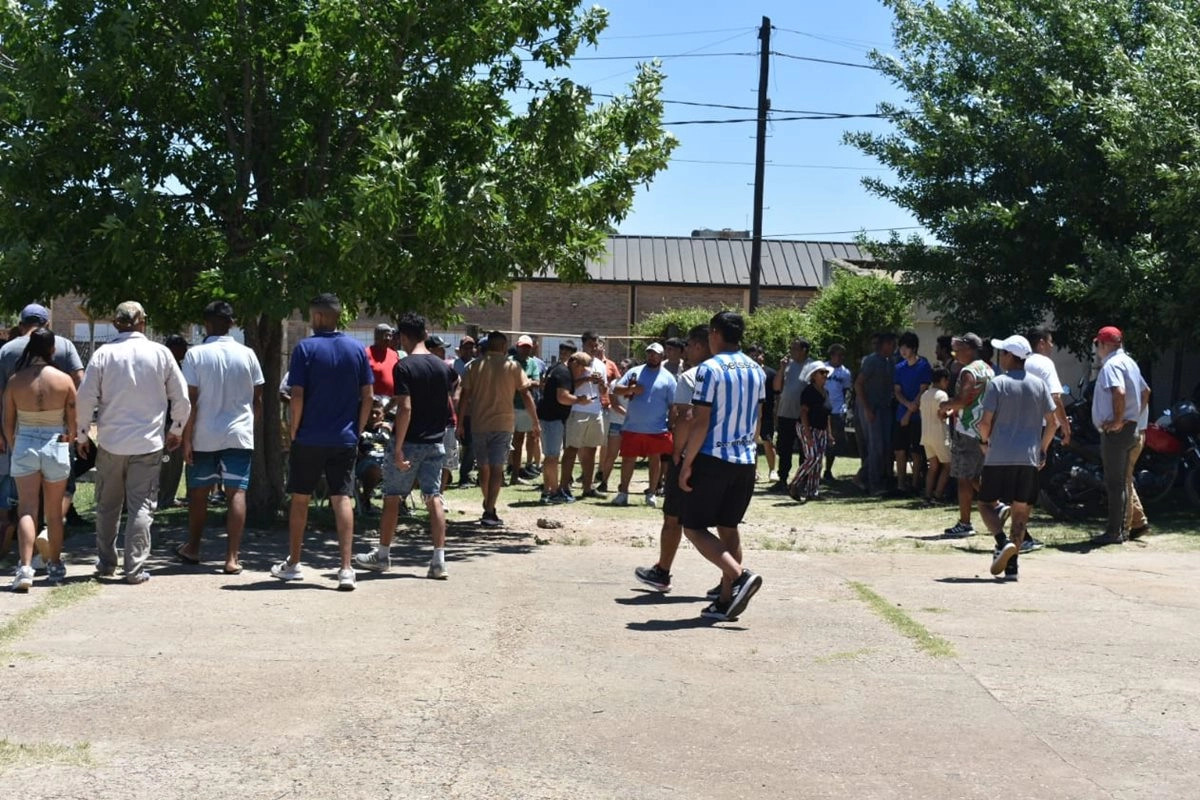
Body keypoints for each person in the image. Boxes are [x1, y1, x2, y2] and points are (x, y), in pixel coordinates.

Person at [76, 302, 190, 584]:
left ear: (116, 323)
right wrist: (176, 430)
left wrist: (81, 434)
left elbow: (85, 397)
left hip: (111, 443)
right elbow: (181, 397)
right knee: (141, 507)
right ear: (143, 322)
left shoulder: (103, 354)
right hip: (148, 444)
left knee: (107, 505)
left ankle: (105, 564)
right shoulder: (161, 353)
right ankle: (134, 569)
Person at [274, 294, 374, 590]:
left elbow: (298, 395)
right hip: (344, 437)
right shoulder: (357, 349)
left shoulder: (305, 348)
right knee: (342, 497)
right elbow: (367, 395)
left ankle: (293, 562)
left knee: (301, 498)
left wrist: (294, 428)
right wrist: (358, 428)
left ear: (317, 317)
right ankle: (345, 569)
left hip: (309, 436)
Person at [678, 311, 765, 622]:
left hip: (714, 458)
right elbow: (757, 418)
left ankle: (739, 576)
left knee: (693, 527)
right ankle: (726, 601)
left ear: (715, 333)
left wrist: (687, 463)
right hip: (746, 460)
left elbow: (700, 421)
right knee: (729, 528)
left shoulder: (709, 370)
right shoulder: (757, 369)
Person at [356, 313, 456, 578]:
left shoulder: (403, 366)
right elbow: (450, 396)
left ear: (403, 336)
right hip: (436, 441)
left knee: (391, 497)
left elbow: (405, 408)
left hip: (410, 442)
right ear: (424, 333)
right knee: (433, 497)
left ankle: (383, 555)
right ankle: (438, 561)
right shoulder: (443, 366)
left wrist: (398, 446)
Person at [175, 301, 264, 575]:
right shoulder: (248, 354)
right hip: (238, 433)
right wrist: (249, 425)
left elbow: (191, 400)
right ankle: (232, 558)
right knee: (236, 492)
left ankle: (193, 547)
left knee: (199, 494)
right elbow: (257, 397)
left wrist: (186, 439)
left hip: (203, 434)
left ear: (206, 324)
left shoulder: (195, 355)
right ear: (231, 324)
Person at [635, 325, 712, 592]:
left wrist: (678, 454)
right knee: (725, 524)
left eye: (689, 345)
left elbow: (685, 417)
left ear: (700, 346)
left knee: (674, 519)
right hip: (719, 456)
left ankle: (663, 571)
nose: (685, 350)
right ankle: (730, 579)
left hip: (690, 455)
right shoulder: (734, 375)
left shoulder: (691, 376)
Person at [976, 336, 1058, 580]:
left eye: (1003, 354)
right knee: (1021, 512)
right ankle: (1012, 566)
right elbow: (1053, 424)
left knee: (984, 503)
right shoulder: (1039, 385)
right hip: (1028, 458)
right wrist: (1042, 448)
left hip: (999, 455)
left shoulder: (997, 384)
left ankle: (1001, 542)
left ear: (1011, 357)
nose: (1000, 357)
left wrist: (983, 441)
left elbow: (984, 422)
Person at [0, 304, 86, 536]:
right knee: (63, 486)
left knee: (24, 496)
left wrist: (3, 434)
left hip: (19, 431)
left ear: (21, 325)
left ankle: (21, 541)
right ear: (47, 325)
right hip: (58, 432)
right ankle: (51, 530)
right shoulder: (64, 346)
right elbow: (80, 381)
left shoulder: (6, 351)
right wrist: (76, 427)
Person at [3, 329, 77, 591]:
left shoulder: (15, 381)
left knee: (26, 509)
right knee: (54, 512)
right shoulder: (64, 380)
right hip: (55, 443)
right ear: (52, 349)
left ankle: (24, 568)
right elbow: (73, 424)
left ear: (29, 349)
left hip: (25, 443)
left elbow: (8, 422)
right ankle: (55, 565)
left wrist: (16, 446)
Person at [457, 331, 539, 527]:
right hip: (503, 424)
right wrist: (535, 421)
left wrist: (459, 423)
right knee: (496, 468)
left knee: (483, 467)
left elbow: (464, 397)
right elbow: (526, 395)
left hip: (479, 424)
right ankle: (489, 509)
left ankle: (488, 504)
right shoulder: (512, 366)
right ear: (503, 347)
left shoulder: (474, 366)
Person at [1090, 326, 1146, 546]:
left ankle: (1114, 532)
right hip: (1130, 428)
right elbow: (1146, 391)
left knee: (1114, 484)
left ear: (1104, 344)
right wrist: (1132, 418)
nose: (1097, 349)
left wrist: (1117, 420)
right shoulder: (1130, 363)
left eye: (1097, 344)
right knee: (1122, 482)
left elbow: (1119, 392)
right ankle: (1121, 530)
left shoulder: (1111, 365)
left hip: (1117, 432)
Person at [939, 333, 995, 538]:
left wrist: (945, 406)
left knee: (964, 477)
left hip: (967, 429)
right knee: (975, 475)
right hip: (984, 429)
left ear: (970, 349)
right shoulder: (988, 370)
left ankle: (965, 523)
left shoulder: (969, 372)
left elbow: (963, 400)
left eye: (959, 350)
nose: (956, 354)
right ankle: (997, 506)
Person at [611, 342, 677, 507]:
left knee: (655, 460)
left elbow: (673, 405)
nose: (652, 356)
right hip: (632, 426)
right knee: (627, 460)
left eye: (655, 354)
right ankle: (623, 493)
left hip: (657, 428)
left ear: (662, 356)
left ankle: (652, 493)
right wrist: (630, 390)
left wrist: (671, 423)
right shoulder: (635, 371)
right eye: (649, 353)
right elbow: (616, 390)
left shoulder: (668, 378)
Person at [538, 344, 592, 503]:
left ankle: (547, 491)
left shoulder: (558, 369)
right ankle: (554, 492)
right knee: (552, 457)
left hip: (549, 418)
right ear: (575, 363)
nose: (581, 373)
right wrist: (580, 401)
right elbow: (562, 397)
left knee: (550, 457)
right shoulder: (564, 373)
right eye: (582, 369)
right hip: (552, 419)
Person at [560, 331, 608, 499]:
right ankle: (564, 486)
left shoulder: (601, 365)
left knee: (591, 450)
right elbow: (569, 384)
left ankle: (588, 487)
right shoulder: (574, 362)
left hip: (596, 411)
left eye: (596, 345)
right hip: (577, 411)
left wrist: (601, 383)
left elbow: (604, 391)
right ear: (583, 344)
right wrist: (587, 379)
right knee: (571, 449)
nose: (594, 348)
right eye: (591, 345)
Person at [855, 333, 897, 495]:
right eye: (891, 344)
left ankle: (862, 477)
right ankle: (873, 484)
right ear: (884, 344)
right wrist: (866, 409)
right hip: (872, 409)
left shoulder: (890, 361)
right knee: (876, 447)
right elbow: (859, 384)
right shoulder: (872, 361)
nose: (893, 347)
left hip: (885, 408)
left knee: (885, 447)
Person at [770, 338, 813, 493]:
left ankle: (801, 481)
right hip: (785, 413)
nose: (791, 351)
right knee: (784, 448)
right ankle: (782, 480)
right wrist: (781, 369)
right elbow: (776, 387)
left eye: (794, 348)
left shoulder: (812, 366)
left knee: (804, 449)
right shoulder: (788, 366)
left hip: (802, 416)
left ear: (804, 350)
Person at [788, 361, 835, 503]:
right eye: (822, 373)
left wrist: (829, 433)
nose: (825, 375)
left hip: (821, 430)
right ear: (814, 375)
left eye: (826, 373)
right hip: (807, 427)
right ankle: (794, 484)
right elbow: (803, 413)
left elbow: (826, 415)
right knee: (812, 457)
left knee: (818, 461)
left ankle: (812, 492)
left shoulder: (826, 392)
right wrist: (807, 434)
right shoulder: (808, 391)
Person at [892, 332, 933, 494]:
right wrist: (907, 406)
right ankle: (901, 484)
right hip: (902, 413)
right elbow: (897, 391)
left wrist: (910, 411)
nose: (903, 351)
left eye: (906, 347)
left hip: (918, 416)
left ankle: (916, 484)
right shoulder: (899, 368)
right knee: (899, 450)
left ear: (914, 348)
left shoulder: (924, 366)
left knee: (916, 451)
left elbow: (923, 390)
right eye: (901, 347)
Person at [508, 334, 543, 485]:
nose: (525, 350)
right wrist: (526, 382)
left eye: (528, 347)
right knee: (504, 442)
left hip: (524, 407)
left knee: (518, 440)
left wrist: (521, 383)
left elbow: (537, 382)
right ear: (517, 347)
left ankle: (515, 475)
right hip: (508, 406)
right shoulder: (509, 362)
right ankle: (502, 473)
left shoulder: (533, 363)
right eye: (523, 347)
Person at [919, 367, 953, 506]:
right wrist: (953, 410)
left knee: (933, 466)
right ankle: (938, 495)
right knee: (948, 466)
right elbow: (942, 414)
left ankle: (927, 495)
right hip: (939, 434)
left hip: (926, 434)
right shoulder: (942, 395)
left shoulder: (925, 394)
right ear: (943, 380)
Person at [748, 345, 778, 482]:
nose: (755, 357)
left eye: (757, 354)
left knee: (768, 441)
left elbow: (777, 394)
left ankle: (772, 471)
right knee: (750, 442)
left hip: (766, 412)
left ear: (762, 355)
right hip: (749, 412)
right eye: (752, 354)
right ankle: (753, 471)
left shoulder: (770, 373)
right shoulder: (745, 372)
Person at [823, 344, 853, 480]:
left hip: (837, 410)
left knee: (832, 441)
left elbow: (847, 391)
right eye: (838, 354)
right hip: (822, 409)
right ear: (832, 355)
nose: (841, 358)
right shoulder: (823, 368)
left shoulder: (845, 373)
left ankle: (828, 470)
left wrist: (845, 407)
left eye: (842, 355)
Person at [452, 336, 476, 488]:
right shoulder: (457, 366)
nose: (469, 350)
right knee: (467, 444)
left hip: (474, 411)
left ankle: (466, 474)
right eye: (466, 347)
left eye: (471, 347)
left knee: (471, 444)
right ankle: (463, 476)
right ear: (460, 349)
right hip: (462, 411)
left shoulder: (474, 364)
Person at [366, 323, 400, 397]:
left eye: (390, 336)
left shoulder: (394, 354)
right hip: (374, 401)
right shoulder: (366, 354)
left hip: (392, 402)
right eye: (385, 335)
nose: (388, 338)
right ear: (376, 337)